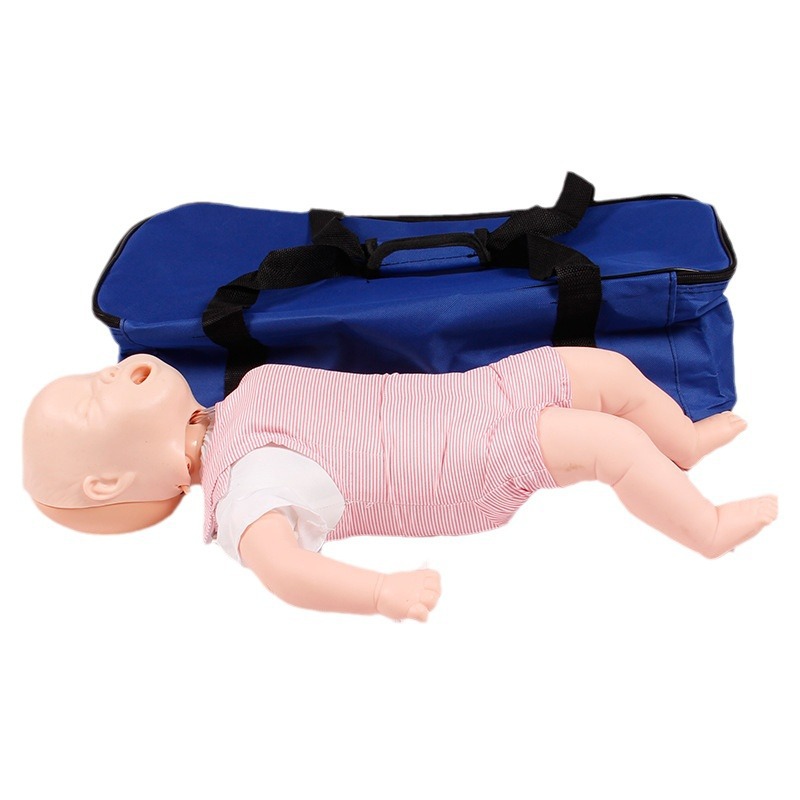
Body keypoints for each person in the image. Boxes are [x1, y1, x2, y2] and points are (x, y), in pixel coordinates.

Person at [22, 346, 777, 622]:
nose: (108, 376)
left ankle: (683, 447)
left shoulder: (236, 400)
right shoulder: (243, 492)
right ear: (107, 482)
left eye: (91, 374)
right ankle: (705, 529)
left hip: (472, 394)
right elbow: (284, 571)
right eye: (92, 400)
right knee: (611, 445)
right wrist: (381, 592)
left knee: (607, 372)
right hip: (464, 460)